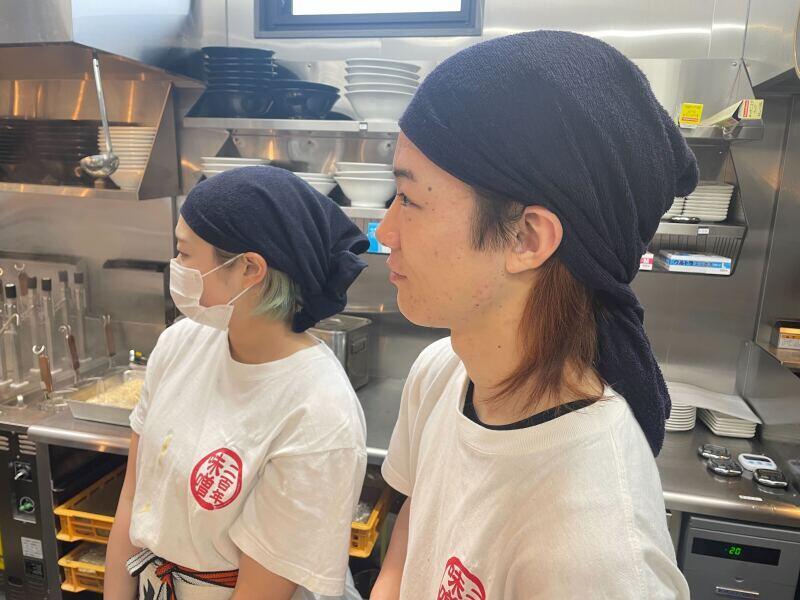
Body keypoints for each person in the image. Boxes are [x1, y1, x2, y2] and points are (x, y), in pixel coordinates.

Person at [370, 31, 696, 599]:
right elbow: (407, 547)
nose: (385, 231)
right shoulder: (442, 373)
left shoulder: (597, 557)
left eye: (410, 200)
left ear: (526, 237)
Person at [105, 167, 369, 600]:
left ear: (249, 268)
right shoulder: (179, 345)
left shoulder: (318, 411)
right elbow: (134, 498)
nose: (175, 267)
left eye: (185, 254)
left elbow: (262, 591)